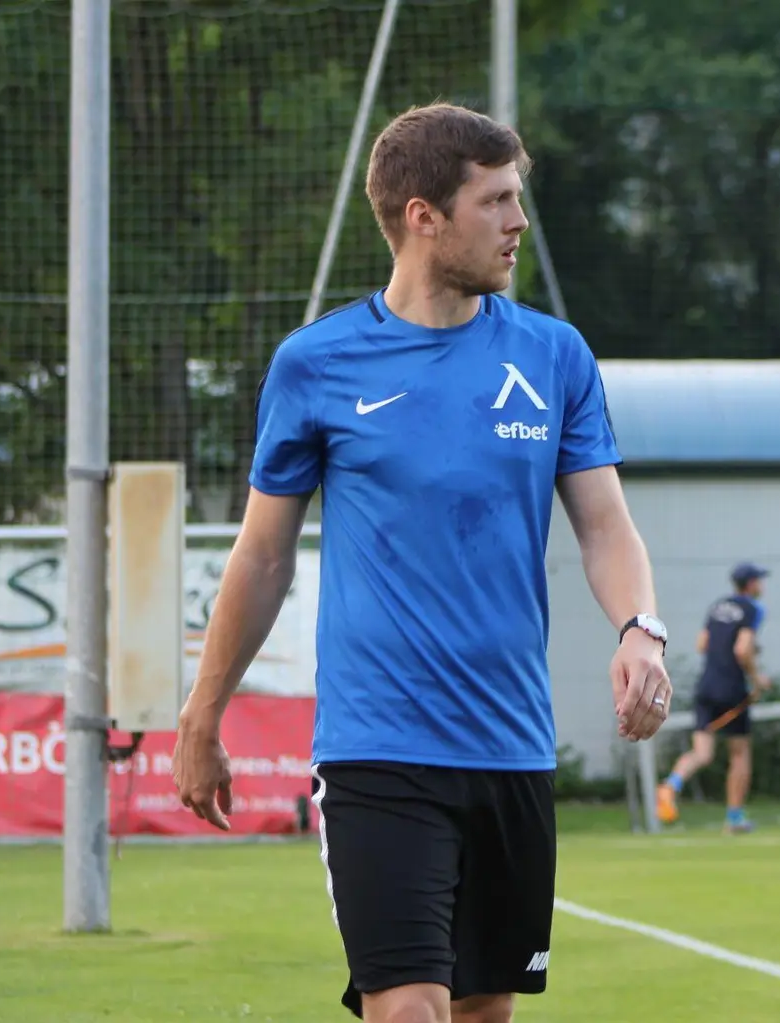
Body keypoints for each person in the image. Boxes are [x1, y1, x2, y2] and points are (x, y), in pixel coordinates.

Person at [168, 101, 673, 1023]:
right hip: (378, 749)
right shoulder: (317, 363)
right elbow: (264, 555)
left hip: (512, 746)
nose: (519, 221)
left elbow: (605, 527)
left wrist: (641, 628)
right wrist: (203, 712)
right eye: (496, 200)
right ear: (423, 216)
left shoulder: (553, 356)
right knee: (407, 1009)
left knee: (484, 1011)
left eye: (517, 197)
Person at [655, 562, 772, 834]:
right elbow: (742, 649)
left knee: (702, 753)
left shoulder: (717, 606)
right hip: (732, 688)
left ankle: (670, 785)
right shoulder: (753, 608)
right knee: (740, 754)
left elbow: (702, 644)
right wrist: (757, 678)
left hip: (706, 685)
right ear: (751, 584)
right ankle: (734, 818)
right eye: (759, 580)